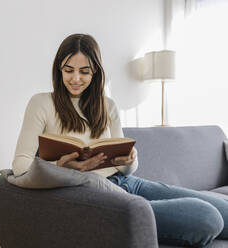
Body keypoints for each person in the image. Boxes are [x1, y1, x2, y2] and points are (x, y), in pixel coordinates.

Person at [12, 33, 228, 247]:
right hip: (92, 193)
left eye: (84, 72)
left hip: (127, 182)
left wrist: (128, 160)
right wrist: (61, 166)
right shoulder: (41, 103)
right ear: (59, 68)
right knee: (206, 217)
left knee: (223, 208)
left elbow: (128, 169)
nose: (75, 78)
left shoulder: (108, 105)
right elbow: (20, 165)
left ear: (95, 71)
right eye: (68, 70)